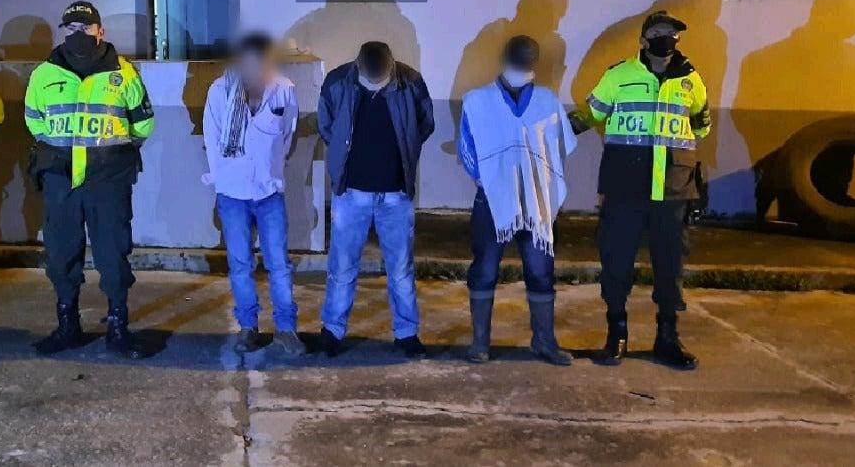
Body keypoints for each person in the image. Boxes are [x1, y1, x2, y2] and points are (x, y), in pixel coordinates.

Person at [574, 11, 711, 370]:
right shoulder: (619, 75)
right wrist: (550, 129)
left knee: (670, 269)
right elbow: (591, 115)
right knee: (616, 265)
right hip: (625, 189)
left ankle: (668, 339)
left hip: (672, 192)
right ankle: (616, 336)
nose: (667, 39)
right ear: (644, 40)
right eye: (659, 33)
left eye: (672, 34)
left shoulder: (691, 80)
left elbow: (701, 125)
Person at [25, 1, 156, 358]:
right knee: (61, 253)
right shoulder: (43, 75)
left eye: (85, 28)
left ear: (101, 32)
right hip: (60, 178)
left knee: (112, 253)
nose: (78, 35)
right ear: (63, 32)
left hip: (107, 179)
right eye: (71, 29)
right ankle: (68, 326)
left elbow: (143, 124)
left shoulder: (124, 74)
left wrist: (109, 154)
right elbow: (35, 122)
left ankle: (118, 327)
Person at [458, 35, 577, 365]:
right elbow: (466, 149)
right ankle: (480, 343)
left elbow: (558, 147)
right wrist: (492, 183)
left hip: (535, 203)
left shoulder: (547, 101)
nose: (522, 67)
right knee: (484, 269)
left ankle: (544, 341)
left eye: (527, 62)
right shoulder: (477, 100)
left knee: (540, 270)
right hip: (493, 201)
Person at [317, 41, 435, 358]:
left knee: (400, 269)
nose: (377, 86)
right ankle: (332, 331)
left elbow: (425, 124)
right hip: (350, 193)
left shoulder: (410, 82)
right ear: (358, 68)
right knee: (342, 267)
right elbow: (325, 125)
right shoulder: (338, 82)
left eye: (381, 82)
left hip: (396, 194)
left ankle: (407, 333)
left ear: (392, 67)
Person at [203, 32, 305, 356]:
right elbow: (213, 139)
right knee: (240, 263)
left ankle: (286, 329)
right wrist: (222, 180)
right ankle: (248, 327)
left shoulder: (283, 90)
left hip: (269, 191)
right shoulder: (219, 91)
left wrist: (270, 170)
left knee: (279, 264)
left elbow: (287, 135)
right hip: (232, 193)